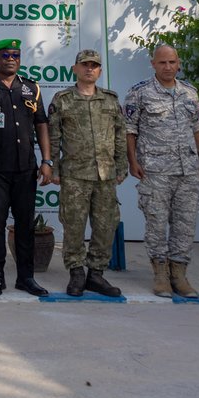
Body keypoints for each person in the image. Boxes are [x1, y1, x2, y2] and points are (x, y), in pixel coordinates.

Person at [125, 44, 199, 298]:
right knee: (156, 223)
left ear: (179, 63)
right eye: (162, 63)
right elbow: (130, 131)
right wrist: (133, 162)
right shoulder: (139, 93)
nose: (168, 67)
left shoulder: (190, 93)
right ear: (153, 64)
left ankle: (180, 274)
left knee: (186, 224)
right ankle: (160, 275)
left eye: (172, 62)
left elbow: (196, 128)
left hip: (187, 171)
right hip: (155, 171)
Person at [0, 38, 52, 298]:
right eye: (5, 55)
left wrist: (47, 161)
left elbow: (41, 124)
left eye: (15, 55)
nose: (11, 59)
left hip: (26, 168)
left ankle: (26, 277)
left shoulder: (31, 88)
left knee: (25, 224)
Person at [47, 49, 126, 298]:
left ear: (100, 70)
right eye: (85, 65)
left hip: (105, 175)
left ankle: (96, 274)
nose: (89, 69)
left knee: (105, 226)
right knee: (73, 227)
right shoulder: (62, 100)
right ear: (75, 69)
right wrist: (54, 169)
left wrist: (121, 167)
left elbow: (120, 136)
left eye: (94, 65)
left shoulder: (111, 100)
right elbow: (53, 138)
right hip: (74, 175)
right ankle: (77, 273)